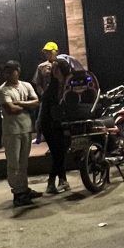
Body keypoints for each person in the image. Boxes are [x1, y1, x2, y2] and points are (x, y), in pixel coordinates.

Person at [0, 60, 41, 206]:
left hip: (26, 128)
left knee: (23, 162)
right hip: (12, 130)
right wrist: (27, 105)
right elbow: (10, 109)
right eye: (6, 72)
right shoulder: (3, 90)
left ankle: (24, 189)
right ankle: (18, 192)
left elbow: (36, 102)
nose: (9, 74)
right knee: (13, 163)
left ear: (18, 71)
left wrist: (20, 103)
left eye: (12, 71)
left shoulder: (26, 85)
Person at [38, 55, 78, 194]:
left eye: (56, 69)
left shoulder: (68, 84)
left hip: (63, 123)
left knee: (60, 153)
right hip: (50, 124)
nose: (53, 71)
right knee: (57, 153)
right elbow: (46, 108)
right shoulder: (52, 87)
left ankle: (62, 181)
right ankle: (52, 182)